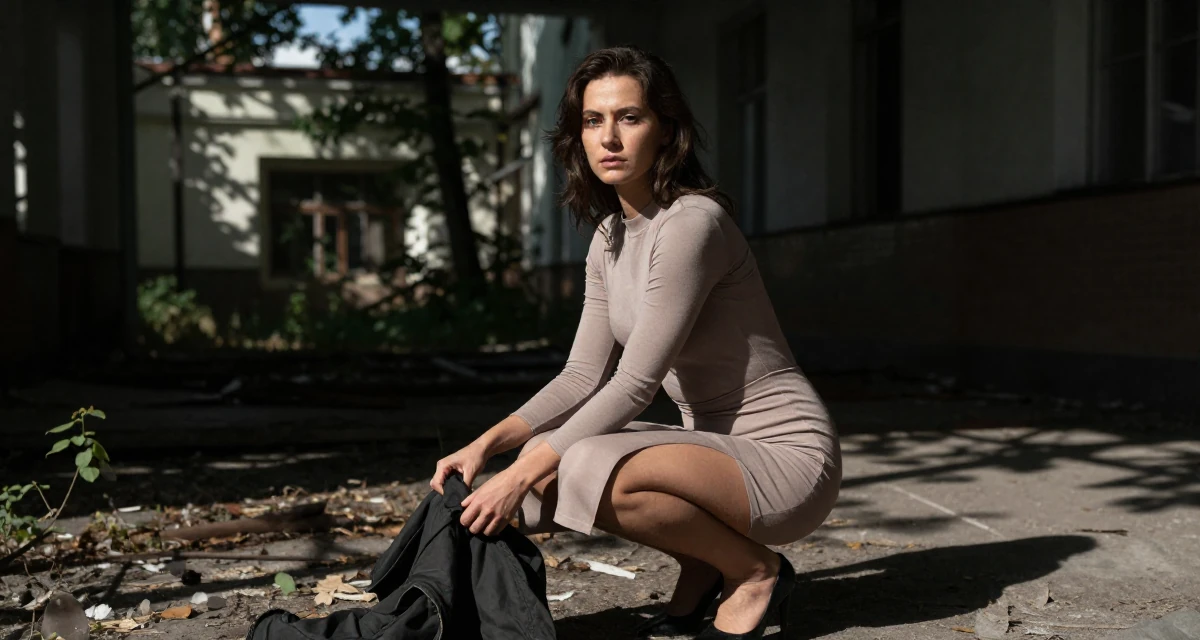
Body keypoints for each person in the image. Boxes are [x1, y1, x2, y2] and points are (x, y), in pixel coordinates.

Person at [430, 44, 842, 639]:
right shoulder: (609, 235)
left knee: (582, 459)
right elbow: (580, 376)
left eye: (630, 117)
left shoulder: (692, 224)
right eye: (593, 121)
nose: (610, 138)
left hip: (786, 458)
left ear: (666, 129)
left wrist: (517, 475)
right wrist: (485, 447)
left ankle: (755, 572)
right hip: (708, 447)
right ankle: (702, 561)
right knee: (555, 454)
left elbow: (634, 384)